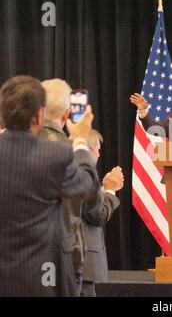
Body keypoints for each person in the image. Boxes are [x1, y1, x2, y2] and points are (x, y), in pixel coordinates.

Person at [0, 75, 100, 296]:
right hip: (42, 280)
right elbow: (88, 188)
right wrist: (81, 142)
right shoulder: (56, 155)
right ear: (38, 116)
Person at [40, 78, 92, 296]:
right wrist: (80, 141)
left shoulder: (14, 145)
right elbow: (93, 204)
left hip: (23, 256)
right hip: (65, 252)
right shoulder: (72, 151)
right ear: (66, 114)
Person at [80, 130, 124, 297]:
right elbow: (98, 215)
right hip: (83, 263)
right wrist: (111, 191)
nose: (99, 154)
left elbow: (85, 206)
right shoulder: (84, 175)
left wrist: (103, 190)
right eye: (96, 149)